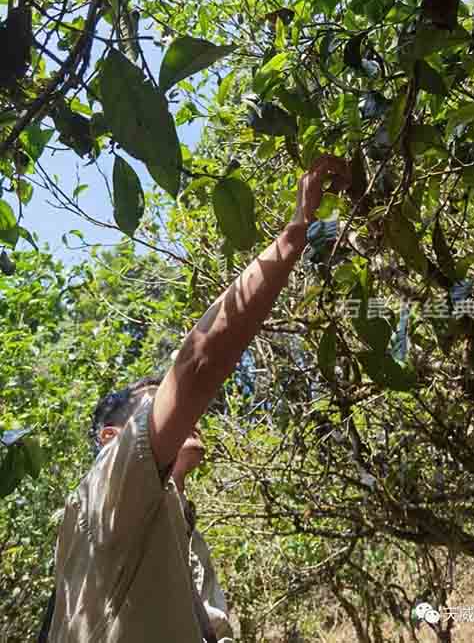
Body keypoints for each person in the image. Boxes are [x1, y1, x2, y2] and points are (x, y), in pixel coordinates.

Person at [46, 154, 351, 643]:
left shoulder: (177, 522)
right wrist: (296, 233)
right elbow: (195, 367)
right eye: (154, 403)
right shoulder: (106, 493)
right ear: (111, 440)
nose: (183, 413)